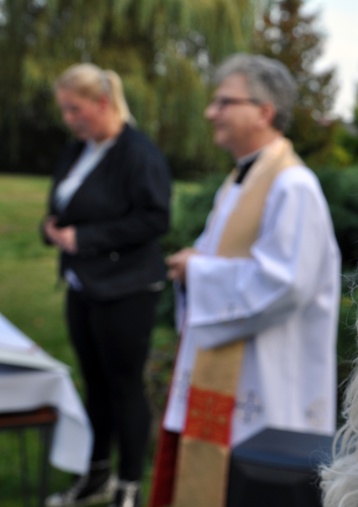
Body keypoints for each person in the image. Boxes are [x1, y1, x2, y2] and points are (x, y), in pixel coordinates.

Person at [149, 54, 341, 507]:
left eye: (223, 102)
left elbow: (285, 282)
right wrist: (192, 266)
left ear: (263, 112)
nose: (210, 112)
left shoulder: (293, 186)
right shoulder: (241, 181)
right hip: (233, 370)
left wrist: (196, 271)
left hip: (267, 379)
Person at [42, 63, 171, 507]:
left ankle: (129, 486)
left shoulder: (137, 152)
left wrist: (86, 239)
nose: (69, 119)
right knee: (94, 384)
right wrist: (53, 229)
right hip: (83, 285)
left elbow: (155, 218)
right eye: (64, 110)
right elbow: (62, 204)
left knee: (124, 386)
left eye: (74, 109)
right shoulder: (78, 149)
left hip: (127, 289)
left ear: (102, 103)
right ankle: (95, 476)